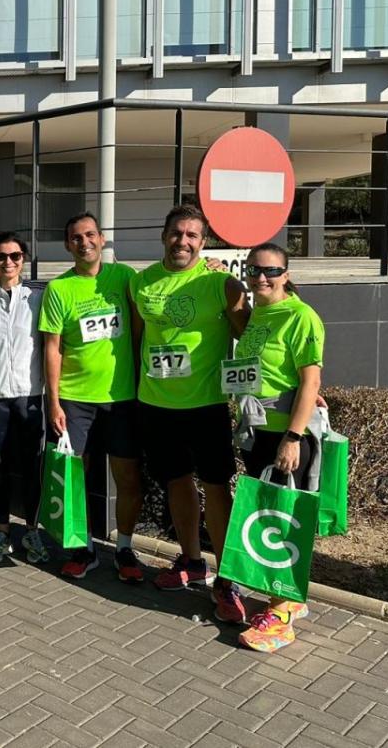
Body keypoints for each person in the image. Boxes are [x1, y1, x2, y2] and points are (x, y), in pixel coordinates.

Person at [129, 205, 250, 622]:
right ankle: (191, 562)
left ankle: (228, 577)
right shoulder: (142, 283)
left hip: (207, 406)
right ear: (164, 235)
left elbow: (251, 335)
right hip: (157, 405)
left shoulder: (221, 282)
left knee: (217, 489)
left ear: (204, 242)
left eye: (192, 235)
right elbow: (138, 342)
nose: (183, 241)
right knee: (177, 483)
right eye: (177, 233)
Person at [230, 243, 324, 653]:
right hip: (258, 430)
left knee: (282, 521)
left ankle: (281, 614)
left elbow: (310, 381)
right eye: (254, 270)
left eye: (270, 270)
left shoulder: (301, 315)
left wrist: (294, 436)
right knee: (267, 512)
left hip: (284, 434)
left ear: (286, 274)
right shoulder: (259, 316)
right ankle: (289, 597)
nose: (261, 277)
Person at [40, 213, 144, 582]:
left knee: (128, 477)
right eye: (75, 237)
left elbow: (141, 329)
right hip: (74, 400)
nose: (83, 242)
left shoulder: (126, 278)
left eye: (89, 235)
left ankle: (125, 548)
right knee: (74, 478)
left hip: (122, 400)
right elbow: (53, 349)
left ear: (102, 239)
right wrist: (53, 402)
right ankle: (82, 548)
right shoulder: (58, 289)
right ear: (68, 245)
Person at [0, 231, 46, 564]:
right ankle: (1, 532)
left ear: (23, 260)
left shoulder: (40, 297)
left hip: (31, 396)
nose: (8, 262)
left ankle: (32, 531)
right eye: (1, 256)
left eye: (15, 256)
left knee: (32, 467)